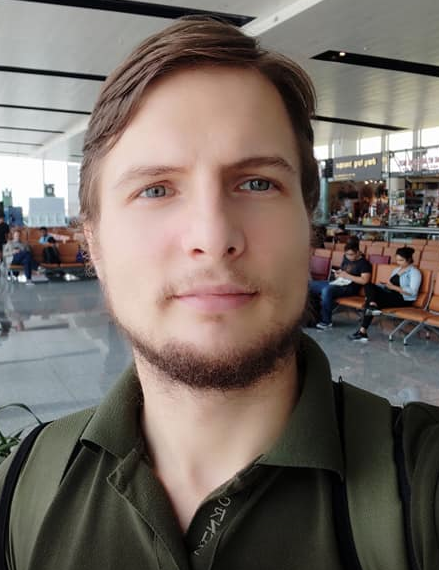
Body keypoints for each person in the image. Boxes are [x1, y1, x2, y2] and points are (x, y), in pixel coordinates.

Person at [0, 18, 438, 570]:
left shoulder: (420, 488)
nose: (212, 237)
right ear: (95, 244)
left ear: (307, 225)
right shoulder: (22, 491)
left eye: (257, 183)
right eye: (156, 189)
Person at [348, 246, 422, 342]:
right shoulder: (397, 270)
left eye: (401, 260)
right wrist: (384, 285)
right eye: (397, 260)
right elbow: (390, 284)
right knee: (368, 285)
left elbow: (413, 291)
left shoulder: (415, 272)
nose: (398, 262)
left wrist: (394, 287)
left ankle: (363, 331)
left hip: (403, 299)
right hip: (390, 293)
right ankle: (372, 306)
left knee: (372, 300)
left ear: (409, 259)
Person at [309, 238, 372, 329]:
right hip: (339, 283)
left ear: (358, 252)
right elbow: (343, 270)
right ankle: (314, 317)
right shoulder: (346, 257)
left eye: (351, 254)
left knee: (327, 290)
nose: (348, 257)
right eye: (346, 254)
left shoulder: (364, 263)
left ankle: (326, 321)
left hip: (350, 287)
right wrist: (338, 273)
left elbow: (364, 280)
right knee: (310, 285)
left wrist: (347, 276)